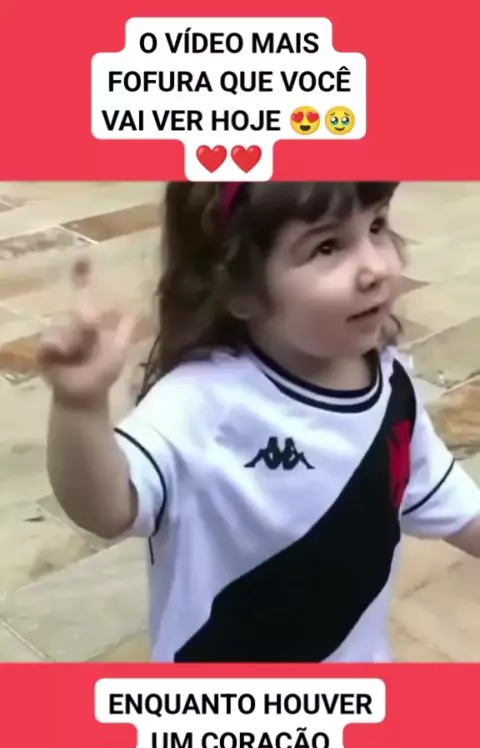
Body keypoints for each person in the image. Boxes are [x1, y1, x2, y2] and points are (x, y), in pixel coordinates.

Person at [38, 181, 480, 663]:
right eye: (327, 246)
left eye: (377, 225)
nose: (375, 267)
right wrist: (79, 407)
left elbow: (447, 500)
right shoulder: (201, 403)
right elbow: (106, 508)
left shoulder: (392, 384)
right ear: (241, 289)